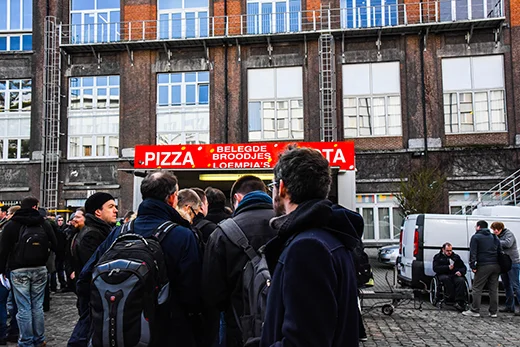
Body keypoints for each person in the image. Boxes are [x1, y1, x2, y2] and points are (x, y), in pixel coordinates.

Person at [75, 171, 203, 346]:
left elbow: (85, 278)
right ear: (172, 198)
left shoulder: (119, 232)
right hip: (169, 330)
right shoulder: (183, 235)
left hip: (124, 329)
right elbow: (192, 294)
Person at [260, 147, 360, 346]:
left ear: (282, 188)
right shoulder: (330, 236)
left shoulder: (307, 248)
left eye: (271, 185)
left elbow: (303, 341)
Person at [202, 175, 276, 347]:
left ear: (237, 198)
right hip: (282, 326)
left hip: (239, 329)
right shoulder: (287, 224)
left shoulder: (222, 233)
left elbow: (212, 294)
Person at [0, 196, 57, 347]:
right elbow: (57, 243)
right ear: (35, 207)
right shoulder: (44, 223)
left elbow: (3, 250)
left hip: (18, 269)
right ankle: (39, 339)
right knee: (37, 306)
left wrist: (2, 270)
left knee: (23, 307)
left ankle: (26, 341)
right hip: (39, 268)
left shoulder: (12, 224)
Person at [68, 193, 117, 347]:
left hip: (94, 293)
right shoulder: (92, 234)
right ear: (98, 212)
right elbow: (95, 268)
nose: (115, 210)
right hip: (92, 294)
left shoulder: (100, 231)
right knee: (84, 333)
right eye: (110, 207)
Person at [463, 220, 502, 318]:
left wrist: (473, 266)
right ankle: (493, 312)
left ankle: (475, 310)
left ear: (478, 227)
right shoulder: (494, 237)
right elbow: (500, 251)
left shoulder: (476, 237)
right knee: (493, 289)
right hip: (496, 265)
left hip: (484, 265)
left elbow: (473, 253)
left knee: (477, 288)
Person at [491, 221, 520, 315]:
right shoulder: (496, 236)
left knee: (516, 285)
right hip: (504, 263)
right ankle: (509, 306)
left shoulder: (508, 234)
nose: (494, 231)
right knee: (507, 285)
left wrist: (495, 241)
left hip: (512, 263)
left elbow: (508, 244)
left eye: (495, 230)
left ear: (500, 229)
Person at [432, 242, 468, 311]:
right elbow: (435, 268)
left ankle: (459, 301)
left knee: (461, 280)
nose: (449, 252)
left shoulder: (456, 257)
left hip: (454, 274)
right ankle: (450, 298)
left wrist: (460, 272)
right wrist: (447, 267)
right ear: (443, 250)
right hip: (443, 274)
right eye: (447, 251)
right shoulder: (438, 257)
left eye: (450, 250)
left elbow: (463, 267)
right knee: (446, 279)